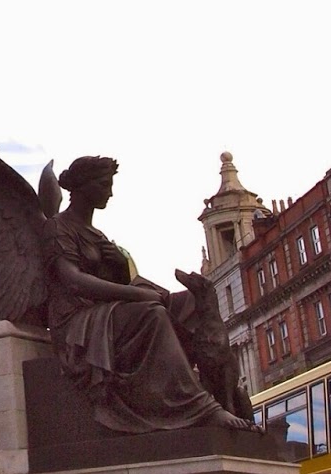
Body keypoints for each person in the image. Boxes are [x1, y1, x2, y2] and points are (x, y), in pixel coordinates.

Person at [45, 156, 258, 434]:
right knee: (152, 313)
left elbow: (115, 280)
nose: (110, 193)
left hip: (106, 311)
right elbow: (73, 281)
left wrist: (120, 267)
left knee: (192, 302)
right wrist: (136, 295)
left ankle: (221, 394)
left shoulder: (96, 234)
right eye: (104, 185)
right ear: (83, 187)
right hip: (78, 321)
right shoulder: (58, 227)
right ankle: (199, 408)